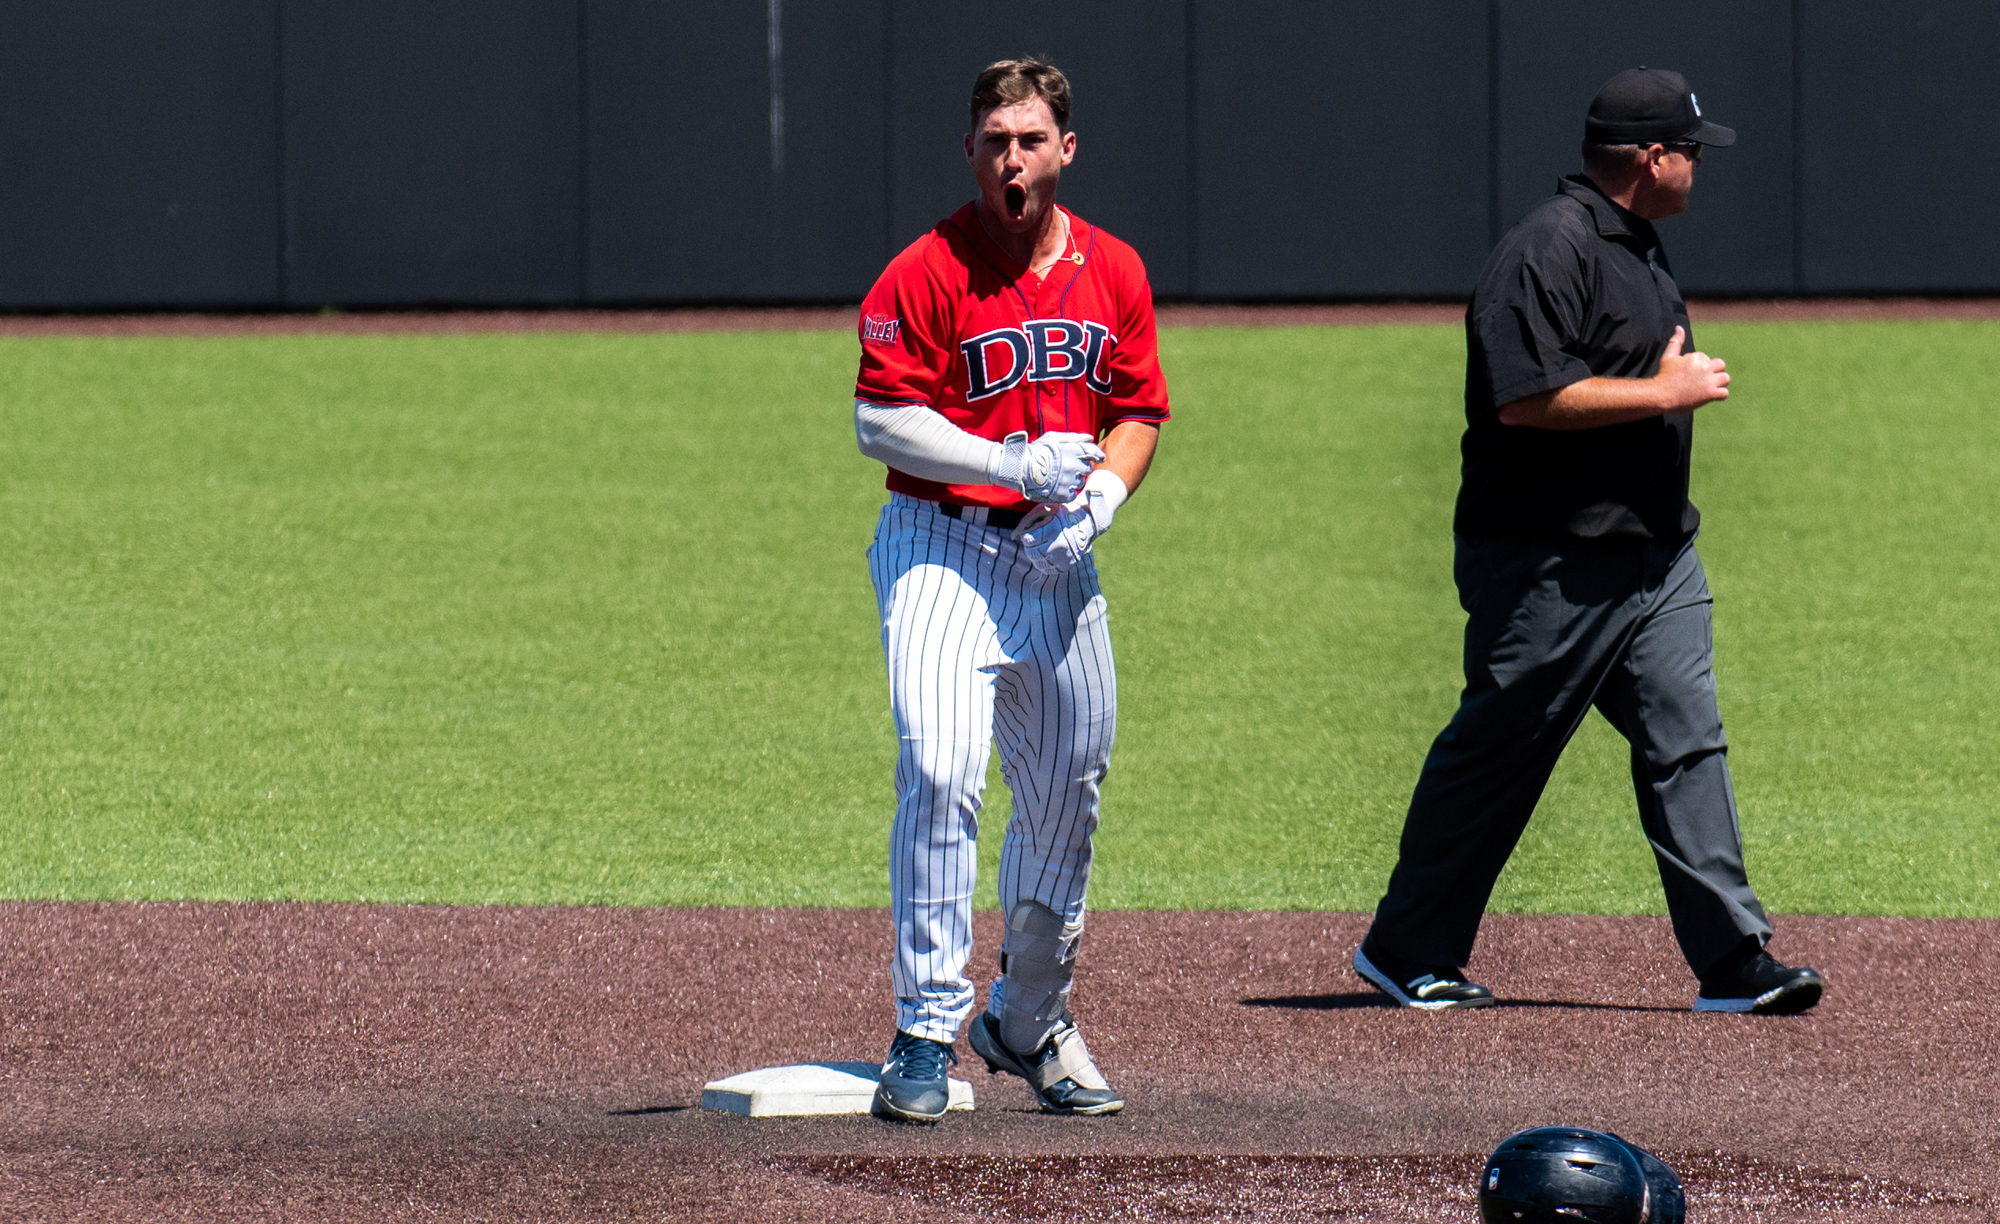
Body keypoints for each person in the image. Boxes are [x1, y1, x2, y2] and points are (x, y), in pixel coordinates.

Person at [1351, 68, 1824, 1016]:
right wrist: (1665, 392)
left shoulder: (1636, 244)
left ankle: (1734, 962)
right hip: (1549, 561)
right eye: (1691, 150)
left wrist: (1661, 381)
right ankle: (1406, 948)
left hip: (1655, 556)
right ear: (1650, 159)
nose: (1699, 165)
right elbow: (1527, 398)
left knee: (1689, 746)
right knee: (1499, 751)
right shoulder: (1544, 252)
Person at [850, 58, 1169, 1121]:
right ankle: (924, 1029)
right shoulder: (926, 268)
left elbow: (1137, 410)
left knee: (1066, 794)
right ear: (971, 151)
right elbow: (879, 422)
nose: (1011, 159)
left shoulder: (1112, 268)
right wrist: (1007, 465)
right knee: (941, 771)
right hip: (940, 548)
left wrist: (1101, 505)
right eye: (994, 141)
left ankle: (1028, 1021)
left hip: (1058, 557)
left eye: (1029, 139)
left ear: (1064, 150)